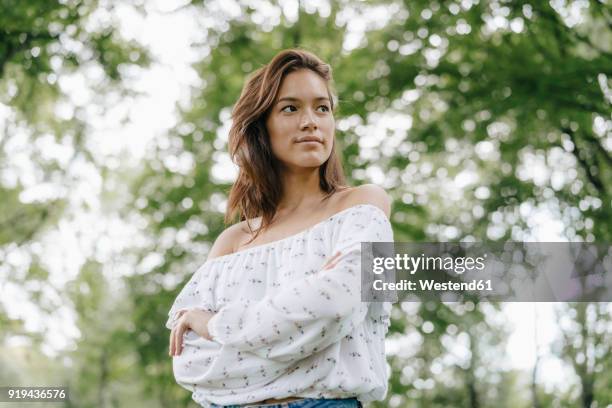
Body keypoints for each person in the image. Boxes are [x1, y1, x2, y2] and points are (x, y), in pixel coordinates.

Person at [166, 49, 394, 408]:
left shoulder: (361, 206)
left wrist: (215, 326)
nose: (311, 121)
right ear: (261, 127)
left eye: (322, 108)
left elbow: (334, 305)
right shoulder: (233, 241)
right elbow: (190, 363)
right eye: (290, 108)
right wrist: (296, 325)